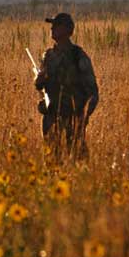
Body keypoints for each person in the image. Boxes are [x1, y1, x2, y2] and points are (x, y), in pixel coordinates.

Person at [34, 12, 99, 159]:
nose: (52, 29)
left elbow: (93, 92)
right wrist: (39, 83)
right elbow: (41, 86)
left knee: (78, 160)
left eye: (56, 25)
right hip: (51, 118)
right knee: (51, 161)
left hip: (73, 118)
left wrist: (84, 116)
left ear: (66, 30)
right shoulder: (48, 56)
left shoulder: (78, 56)